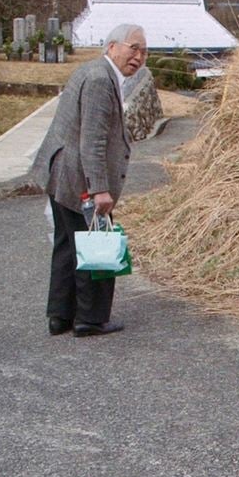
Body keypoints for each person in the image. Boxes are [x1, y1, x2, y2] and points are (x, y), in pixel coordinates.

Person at [31, 24, 146, 337]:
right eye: (133, 47)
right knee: (96, 245)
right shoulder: (99, 80)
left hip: (62, 173)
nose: (138, 56)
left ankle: (60, 315)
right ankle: (90, 319)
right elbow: (92, 140)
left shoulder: (94, 71)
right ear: (111, 47)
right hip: (79, 177)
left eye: (143, 51)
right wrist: (100, 189)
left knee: (68, 246)